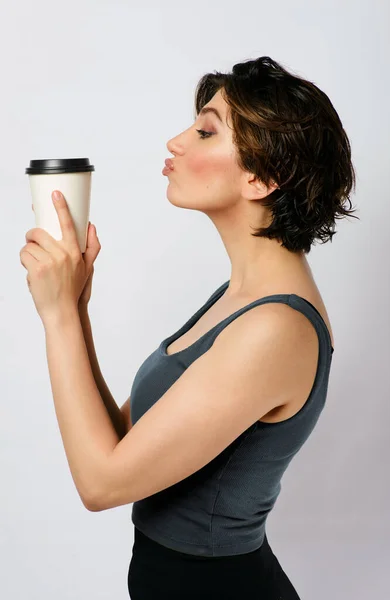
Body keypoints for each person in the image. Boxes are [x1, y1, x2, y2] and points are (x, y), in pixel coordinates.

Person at [119, 55, 356, 598]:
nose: (176, 141)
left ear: (262, 177)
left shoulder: (275, 327)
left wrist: (58, 314)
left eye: (205, 131)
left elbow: (101, 483)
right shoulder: (238, 299)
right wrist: (76, 304)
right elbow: (122, 445)